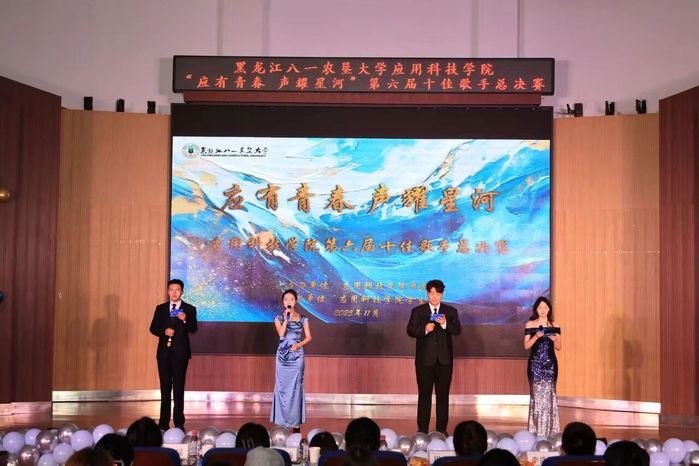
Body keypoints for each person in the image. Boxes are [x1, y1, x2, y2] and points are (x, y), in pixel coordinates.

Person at [407, 279, 462, 435]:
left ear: (442, 294)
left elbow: (457, 330)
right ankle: (422, 430)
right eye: (432, 293)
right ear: (427, 294)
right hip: (424, 362)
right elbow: (410, 330)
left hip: (444, 361)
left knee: (443, 396)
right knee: (424, 396)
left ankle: (441, 430)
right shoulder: (418, 311)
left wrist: (444, 324)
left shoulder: (450, 311)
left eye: (438, 293)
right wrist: (425, 329)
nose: (435, 296)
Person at [149, 278, 198, 430]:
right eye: (171, 289)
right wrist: (164, 331)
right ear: (168, 291)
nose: (174, 292)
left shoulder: (189, 309)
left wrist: (185, 320)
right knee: (165, 388)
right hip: (164, 354)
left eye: (177, 290)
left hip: (180, 354)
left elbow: (193, 329)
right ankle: (163, 423)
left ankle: (179, 423)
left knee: (178, 388)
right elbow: (153, 328)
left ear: (182, 292)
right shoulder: (161, 308)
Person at [271, 289, 312, 431]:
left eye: (291, 299)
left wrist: (298, 345)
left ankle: (295, 425)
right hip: (283, 356)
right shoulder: (278, 318)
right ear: (283, 302)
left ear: (295, 301)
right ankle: (282, 423)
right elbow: (281, 334)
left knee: (296, 387)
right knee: (282, 387)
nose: (288, 301)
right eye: (286, 299)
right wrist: (286, 319)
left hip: (297, 355)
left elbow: (309, 337)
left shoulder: (303, 318)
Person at [524, 296, 561, 436]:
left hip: (550, 365)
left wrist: (554, 339)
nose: (543, 310)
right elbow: (526, 346)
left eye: (545, 307)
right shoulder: (530, 324)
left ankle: (551, 431)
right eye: (540, 307)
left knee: (550, 395)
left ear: (549, 309)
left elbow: (559, 347)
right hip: (535, 365)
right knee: (536, 396)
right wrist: (536, 336)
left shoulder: (554, 325)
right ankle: (535, 431)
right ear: (536, 309)